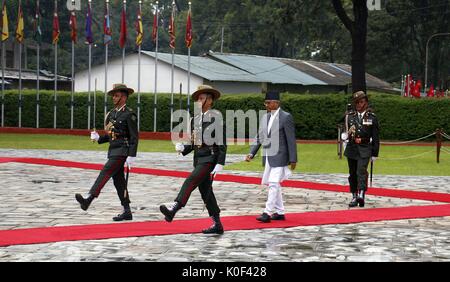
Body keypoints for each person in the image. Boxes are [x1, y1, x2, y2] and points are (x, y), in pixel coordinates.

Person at [159, 85, 227, 234]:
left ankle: (174, 208)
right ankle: (217, 224)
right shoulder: (194, 119)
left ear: (210, 101)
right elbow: (194, 142)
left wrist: (220, 162)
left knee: (190, 180)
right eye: (197, 98)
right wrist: (184, 148)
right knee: (206, 192)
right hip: (199, 159)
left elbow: (222, 142)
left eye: (202, 98)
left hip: (209, 158)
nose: (198, 101)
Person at [75, 83, 139, 221]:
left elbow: (134, 136)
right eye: (113, 96)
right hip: (113, 150)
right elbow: (111, 135)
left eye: (116, 95)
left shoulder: (129, 114)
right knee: (119, 181)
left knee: (106, 171)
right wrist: (99, 138)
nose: (113, 98)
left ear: (123, 97)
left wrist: (132, 155)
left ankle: (89, 198)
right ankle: (127, 210)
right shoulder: (112, 114)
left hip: (122, 151)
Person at [245, 91, 297, 223]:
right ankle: (280, 212)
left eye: (268, 102)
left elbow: (291, 140)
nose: (266, 105)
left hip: (281, 156)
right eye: (265, 103)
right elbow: (259, 137)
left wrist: (293, 159)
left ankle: (267, 212)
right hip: (268, 156)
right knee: (274, 183)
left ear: (276, 103)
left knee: (273, 183)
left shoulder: (286, 117)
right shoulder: (265, 117)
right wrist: (252, 153)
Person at [341, 91, 380, 208]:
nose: (359, 104)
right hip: (352, 148)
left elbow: (376, 137)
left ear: (366, 102)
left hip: (365, 148)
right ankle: (354, 195)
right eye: (357, 102)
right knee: (352, 173)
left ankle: (361, 194)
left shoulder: (372, 117)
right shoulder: (349, 116)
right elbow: (344, 129)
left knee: (361, 171)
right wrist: (345, 136)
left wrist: (375, 153)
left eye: (361, 102)